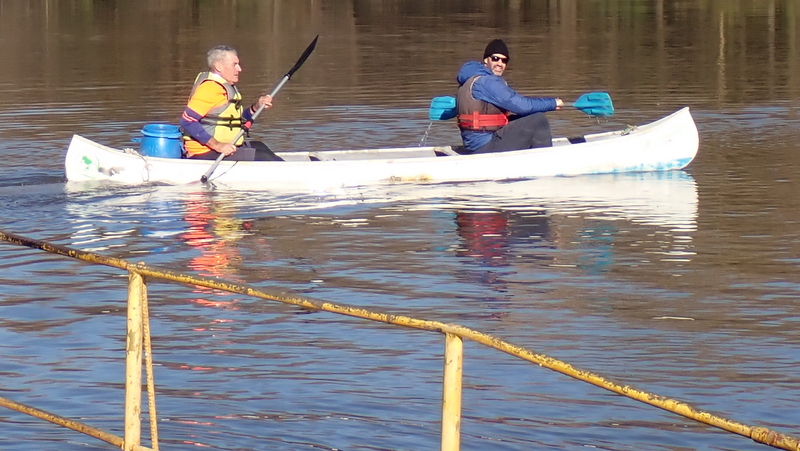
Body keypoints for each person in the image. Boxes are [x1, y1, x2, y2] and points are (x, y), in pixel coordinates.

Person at [456, 39, 564, 154]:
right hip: (484, 146)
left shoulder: (471, 78)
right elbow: (521, 106)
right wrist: (552, 103)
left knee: (525, 117)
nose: (500, 64)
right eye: (495, 58)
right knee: (538, 120)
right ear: (486, 60)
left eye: (504, 60)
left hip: (475, 144)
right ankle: (544, 160)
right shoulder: (486, 82)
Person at [180, 45, 283, 161]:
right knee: (263, 157)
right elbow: (187, 120)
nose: (239, 69)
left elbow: (234, 121)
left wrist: (256, 107)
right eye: (234, 64)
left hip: (223, 148)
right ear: (219, 66)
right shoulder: (210, 88)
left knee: (260, 147)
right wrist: (218, 145)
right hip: (203, 152)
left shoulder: (225, 87)